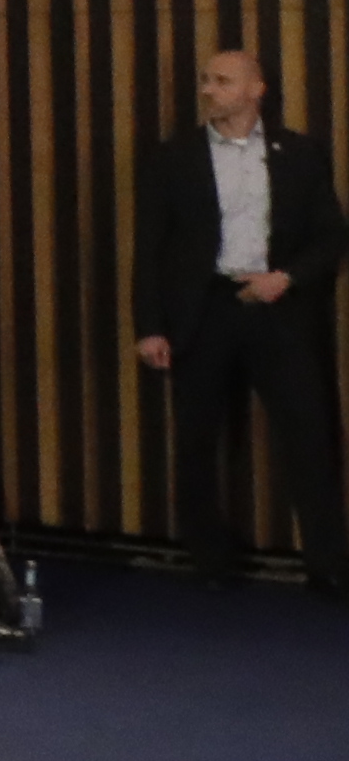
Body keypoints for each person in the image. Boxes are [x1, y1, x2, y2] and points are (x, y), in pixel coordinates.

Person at [134, 43, 346, 594]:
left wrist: (287, 277)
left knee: (309, 432)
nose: (209, 90)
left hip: (278, 308)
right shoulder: (173, 157)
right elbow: (150, 248)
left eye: (223, 81)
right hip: (204, 308)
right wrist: (150, 326)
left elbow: (332, 235)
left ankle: (328, 562)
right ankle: (209, 560)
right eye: (205, 80)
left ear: (257, 89)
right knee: (198, 436)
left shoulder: (298, 153)